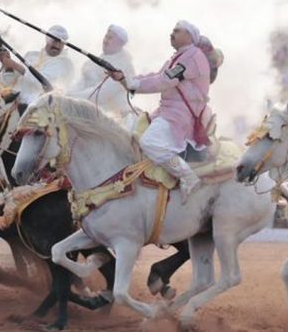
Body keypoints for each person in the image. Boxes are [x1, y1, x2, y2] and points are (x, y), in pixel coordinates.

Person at [110, 20, 211, 199]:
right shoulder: (178, 57)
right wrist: (125, 79)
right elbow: (157, 76)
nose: (171, 33)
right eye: (172, 30)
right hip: (167, 111)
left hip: (181, 115)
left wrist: (131, 83)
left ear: (189, 36)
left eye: (177, 31)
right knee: (130, 127)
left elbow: (165, 80)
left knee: (149, 143)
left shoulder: (193, 56)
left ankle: (188, 176)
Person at [69, 25, 135, 118]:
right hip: (87, 109)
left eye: (110, 38)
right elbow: (79, 84)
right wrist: (67, 94)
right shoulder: (92, 62)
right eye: (106, 36)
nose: (105, 41)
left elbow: (100, 95)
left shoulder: (124, 67)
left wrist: (70, 98)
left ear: (120, 44)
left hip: (114, 116)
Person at [10, 25, 74, 104]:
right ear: (47, 39)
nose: (57, 46)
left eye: (61, 42)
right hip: (13, 102)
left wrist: (14, 65)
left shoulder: (65, 64)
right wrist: (8, 67)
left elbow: (43, 83)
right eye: (54, 41)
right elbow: (9, 81)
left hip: (38, 110)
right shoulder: (31, 55)